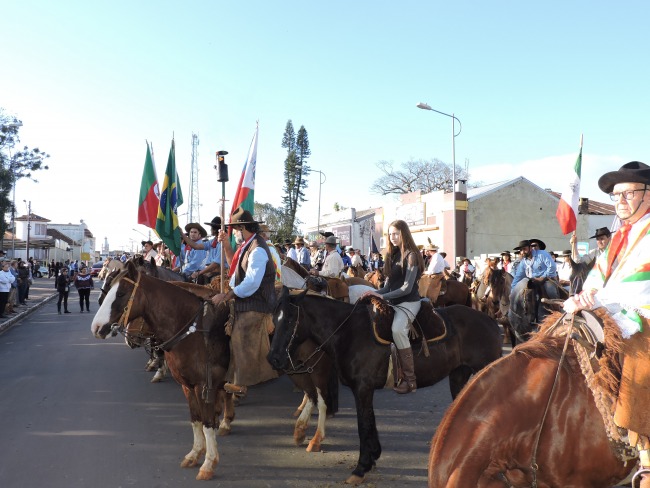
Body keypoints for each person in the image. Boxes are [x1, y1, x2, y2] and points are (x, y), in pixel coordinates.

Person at [563, 161, 650, 472]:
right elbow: (598, 277)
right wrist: (584, 295)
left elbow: (640, 281)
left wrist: (595, 298)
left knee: (641, 362)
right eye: (616, 196)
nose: (620, 202)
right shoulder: (618, 238)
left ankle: (645, 451)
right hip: (614, 308)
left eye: (627, 194)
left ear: (648, 195)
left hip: (642, 315)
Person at [210, 207, 278, 395]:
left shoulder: (258, 249)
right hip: (244, 298)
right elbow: (235, 267)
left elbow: (251, 282)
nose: (233, 232)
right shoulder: (246, 246)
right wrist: (225, 245)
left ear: (242, 228)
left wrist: (228, 295)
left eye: (235, 229)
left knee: (240, 329)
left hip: (258, 303)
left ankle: (241, 382)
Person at [362, 220, 424, 394]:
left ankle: (410, 381)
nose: (392, 237)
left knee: (397, 330)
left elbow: (407, 289)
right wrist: (372, 293)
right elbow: (388, 287)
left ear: (404, 233)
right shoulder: (391, 255)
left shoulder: (412, 255)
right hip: (393, 301)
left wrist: (382, 296)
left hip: (409, 302)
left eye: (396, 233)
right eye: (390, 234)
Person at [510, 239, 559, 322]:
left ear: (530, 248)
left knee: (550, 289)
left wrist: (542, 277)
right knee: (523, 295)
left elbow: (552, 267)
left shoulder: (542, 254)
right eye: (521, 250)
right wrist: (512, 292)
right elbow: (518, 277)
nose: (522, 252)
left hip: (548, 279)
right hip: (532, 282)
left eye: (524, 249)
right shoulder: (523, 262)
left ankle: (557, 311)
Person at [180, 216, 227, 285]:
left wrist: (199, 273)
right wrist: (182, 234)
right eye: (191, 232)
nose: (210, 230)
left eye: (211, 228)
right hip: (209, 272)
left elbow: (215, 264)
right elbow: (196, 246)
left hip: (218, 273)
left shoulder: (222, 243)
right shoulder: (213, 241)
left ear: (214, 230)